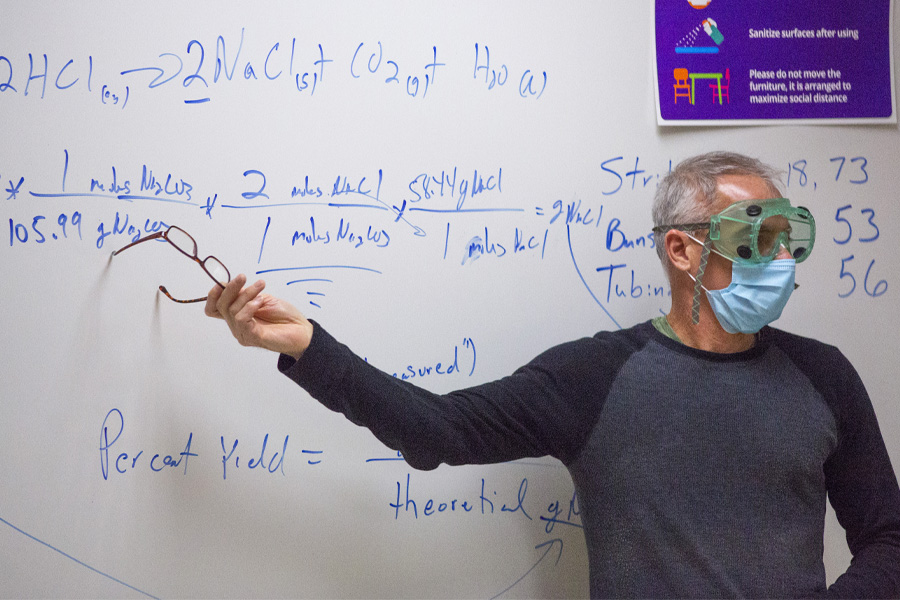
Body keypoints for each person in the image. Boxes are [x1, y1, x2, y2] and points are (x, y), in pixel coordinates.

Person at [205, 152, 900, 598]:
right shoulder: (595, 377)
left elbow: (888, 538)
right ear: (683, 250)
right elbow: (439, 429)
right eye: (757, 236)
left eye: (789, 238)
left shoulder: (823, 376)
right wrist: (310, 346)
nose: (779, 259)